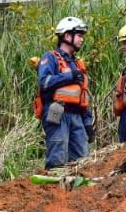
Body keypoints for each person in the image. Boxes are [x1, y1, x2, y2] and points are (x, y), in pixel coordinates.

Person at [35, 16, 93, 169]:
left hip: (77, 116)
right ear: (67, 35)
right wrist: (69, 76)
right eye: (79, 35)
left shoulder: (78, 64)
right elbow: (44, 82)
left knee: (83, 161)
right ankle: (53, 191)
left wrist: (88, 123)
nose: (82, 40)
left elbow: (84, 95)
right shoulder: (51, 58)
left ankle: (78, 192)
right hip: (57, 111)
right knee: (57, 158)